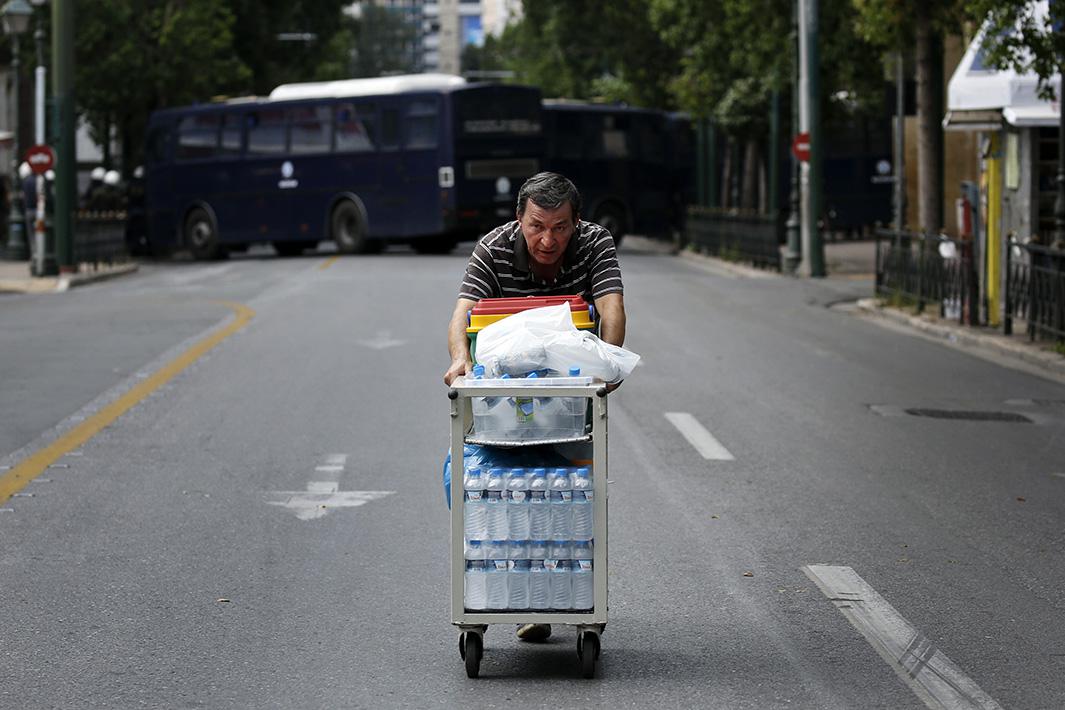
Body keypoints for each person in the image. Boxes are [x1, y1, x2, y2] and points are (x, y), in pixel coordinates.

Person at [444, 171, 626, 643]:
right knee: (489, 486)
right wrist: (460, 360)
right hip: (504, 395)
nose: (549, 239)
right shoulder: (493, 248)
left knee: (568, 493)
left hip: (568, 394)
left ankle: (563, 592)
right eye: (537, 226)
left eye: (561, 227)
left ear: (577, 223)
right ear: (519, 219)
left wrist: (606, 366)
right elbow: (462, 314)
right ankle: (503, 591)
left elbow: (610, 307)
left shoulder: (596, 242)